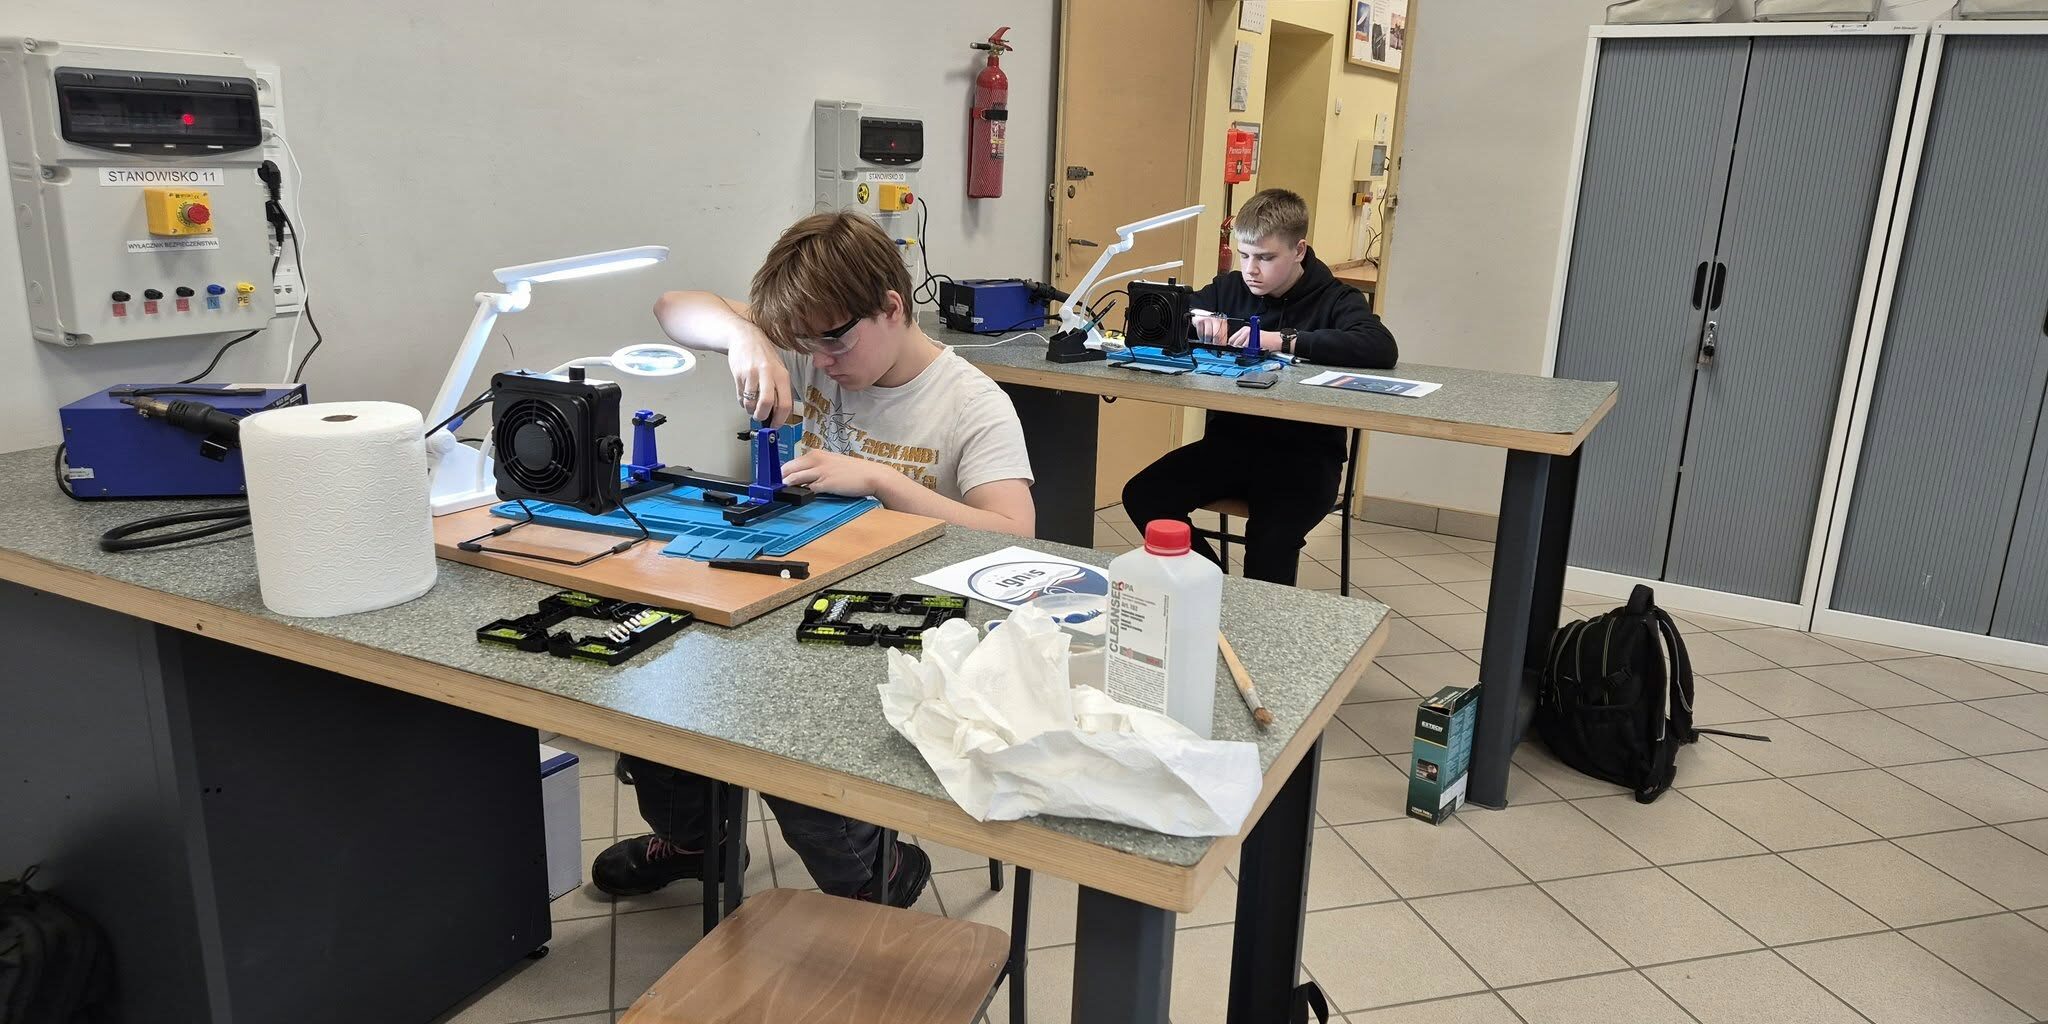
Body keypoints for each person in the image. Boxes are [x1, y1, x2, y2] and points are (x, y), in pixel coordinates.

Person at [592, 210, 1036, 907]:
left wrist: (882, 482)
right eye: (805, 345)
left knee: (783, 736)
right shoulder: (817, 345)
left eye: (833, 342)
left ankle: (877, 871)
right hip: (805, 588)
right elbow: (672, 305)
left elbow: (1016, 533)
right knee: (660, 671)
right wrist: (747, 339)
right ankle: (697, 843)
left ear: (892, 307)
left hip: (907, 623)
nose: (821, 363)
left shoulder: (971, 404)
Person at [1120, 188, 1396, 586]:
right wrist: (1193, 319)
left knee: (1270, 542)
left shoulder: (1336, 299)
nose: (1251, 269)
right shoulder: (1230, 288)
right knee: (1144, 495)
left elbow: (1380, 347)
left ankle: (1253, 616)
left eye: (1265, 258)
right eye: (1244, 255)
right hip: (1231, 447)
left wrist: (1280, 340)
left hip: (1305, 460)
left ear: (1299, 250)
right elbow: (1177, 311)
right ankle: (1213, 586)